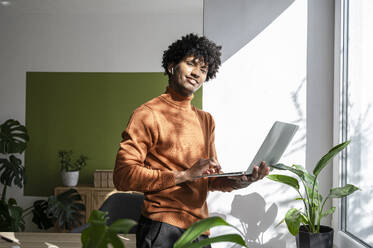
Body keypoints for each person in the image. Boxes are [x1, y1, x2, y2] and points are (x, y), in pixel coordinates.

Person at [113, 33, 270, 248]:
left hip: (199, 229)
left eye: (203, 70)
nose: (196, 73)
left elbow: (210, 179)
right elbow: (123, 176)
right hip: (161, 226)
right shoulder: (148, 113)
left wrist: (241, 181)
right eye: (190, 64)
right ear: (171, 66)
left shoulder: (205, 120)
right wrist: (185, 175)